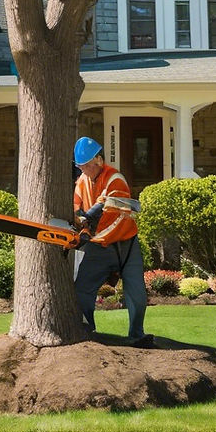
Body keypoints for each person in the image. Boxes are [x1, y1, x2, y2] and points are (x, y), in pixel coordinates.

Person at [72, 136, 152, 348]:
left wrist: (88, 229)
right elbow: (76, 207)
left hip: (126, 244)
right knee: (82, 289)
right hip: (98, 247)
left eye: (86, 166)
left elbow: (114, 214)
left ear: (98, 160)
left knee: (137, 294)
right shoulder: (81, 181)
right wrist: (81, 224)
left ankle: (137, 335)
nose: (83, 170)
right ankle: (87, 333)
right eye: (80, 166)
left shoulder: (115, 180)